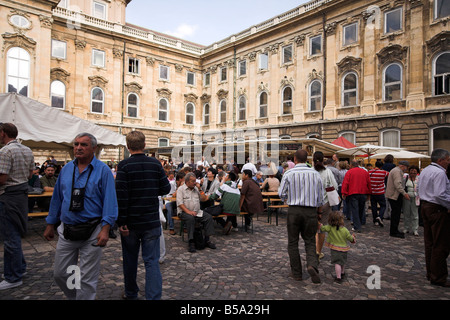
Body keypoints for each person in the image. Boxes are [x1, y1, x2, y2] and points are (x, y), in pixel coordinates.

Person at [43, 133, 118, 300]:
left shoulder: (103, 170)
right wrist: (50, 224)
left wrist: (106, 228)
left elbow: (110, 201)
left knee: (87, 279)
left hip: (93, 231)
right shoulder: (66, 169)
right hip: (67, 230)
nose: (78, 148)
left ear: (94, 148)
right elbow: (57, 198)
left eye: (83, 145)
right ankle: (76, 297)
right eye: (76, 144)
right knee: (61, 274)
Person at [115, 131, 171, 300]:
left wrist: (121, 221)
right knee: (152, 261)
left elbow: (121, 196)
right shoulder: (155, 164)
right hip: (151, 220)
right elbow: (166, 189)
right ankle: (153, 297)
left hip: (131, 222)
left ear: (127, 146)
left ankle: (131, 293)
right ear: (144, 145)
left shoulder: (123, 166)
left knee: (130, 260)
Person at [279, 149, 324, 284]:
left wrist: (290, 197)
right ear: (307, 159)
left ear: (295, 159)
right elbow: (321, 198)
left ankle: (297, 273)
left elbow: (281, 194)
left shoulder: (289, 173)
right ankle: (312, 265)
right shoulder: (316, 174)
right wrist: (319, 213)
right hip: (310, 211)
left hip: (294, 210)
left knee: (293, 242)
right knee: (310, 240)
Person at [0, 123, 35, 291]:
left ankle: (13, 276)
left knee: (10, 236)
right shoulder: (27, 150)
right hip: (22, 193)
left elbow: (2, 178)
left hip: (8, 195)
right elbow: (30, 174)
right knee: (15, 233)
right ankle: (19, 268)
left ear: (3, 133)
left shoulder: (5, 151)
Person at [417, 148, 450, 287]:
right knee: (440, 244)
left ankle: (431, 272)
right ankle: (438, 276)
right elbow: (440, 194)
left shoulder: (425, 170)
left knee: (429, 242)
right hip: (436, 208)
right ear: (440, 160)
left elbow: (418, 188)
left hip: (425, 206)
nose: (449, 162)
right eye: (448, 159)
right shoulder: (440, 173)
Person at [177, 172, 216, 253]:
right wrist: (188, 211)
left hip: (197, 212)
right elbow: (180, 203)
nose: (195, 183)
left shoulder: (196, 189)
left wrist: (200, 189)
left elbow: (204, 199)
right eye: (193, 181)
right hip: (184, 212)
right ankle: (191, 242)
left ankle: (207, 240)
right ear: (187, 182)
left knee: (208, 217)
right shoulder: (181, 189)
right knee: (190, 219)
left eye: (195, 181)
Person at [313, 151, 338, 259]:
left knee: (313, 227)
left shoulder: (310, 171)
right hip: (325, 203)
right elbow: (335, 186)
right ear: (323, 160)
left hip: (312, 203)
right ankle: (319, 251)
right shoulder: (327, 172)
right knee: (322, 227)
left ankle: (314, 250)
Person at [320, 211, 356, 283]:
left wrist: (320, 225)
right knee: (342, 261)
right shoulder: (345, 230)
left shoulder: (330, 227)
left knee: (337, 263)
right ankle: (342, 272)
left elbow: (323, 228)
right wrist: (353, 238)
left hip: (335, 249)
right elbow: (350, 238)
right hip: (344, 249)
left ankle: (338, 277)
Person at [341, 161, 372, 233]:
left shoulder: (349, 172)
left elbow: (345, 183)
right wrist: (369, 193)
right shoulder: (365, 172)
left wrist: (344, 193)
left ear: (351, 165)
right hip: (363, 192)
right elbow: (369, 183)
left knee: (355, 210)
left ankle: (357, 226)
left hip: (353, 192)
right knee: (361, 209)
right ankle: (359, 223)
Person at [385, 160, 410, 238]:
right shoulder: (397, 171)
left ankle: (394, 230)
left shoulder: (396, 170)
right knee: (396, 214)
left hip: (393, 194)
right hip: (394, 195)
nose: (406, 169)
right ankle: (394, 231)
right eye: (406, 168)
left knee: (395, 213)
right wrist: (404, 193)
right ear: (403, 166)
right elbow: (397, 184)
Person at [368, 161, 389, 227]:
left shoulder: (370, 172)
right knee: (383, 205)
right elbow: (389, 174)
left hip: (372, 192)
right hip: (380, 192)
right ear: (381, 166)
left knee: (373, 207)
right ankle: (380, 216)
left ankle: (375, 220)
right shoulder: (383, 172)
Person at [403, 165, 420, 236]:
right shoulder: (406, 178)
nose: (413, 173)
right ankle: (406, 228)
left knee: (415, 214)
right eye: (411, 171)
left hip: (416, 197)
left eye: (414, 171)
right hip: (407, 197)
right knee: (406, 213)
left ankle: (415, 229)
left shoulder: (419, 179)